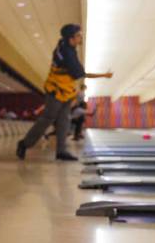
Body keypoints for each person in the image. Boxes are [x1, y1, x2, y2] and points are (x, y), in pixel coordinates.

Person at [16, 24, 112, 161]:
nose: (81, 37)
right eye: (78, 35)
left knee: (64, 120)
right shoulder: (67, 53)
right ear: (71, 38)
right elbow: (80, 73)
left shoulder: (65, 45)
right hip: (56, 90)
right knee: (47, 119)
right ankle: (24, 143)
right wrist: (103, 75)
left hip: (66, 90)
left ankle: (61, 150)